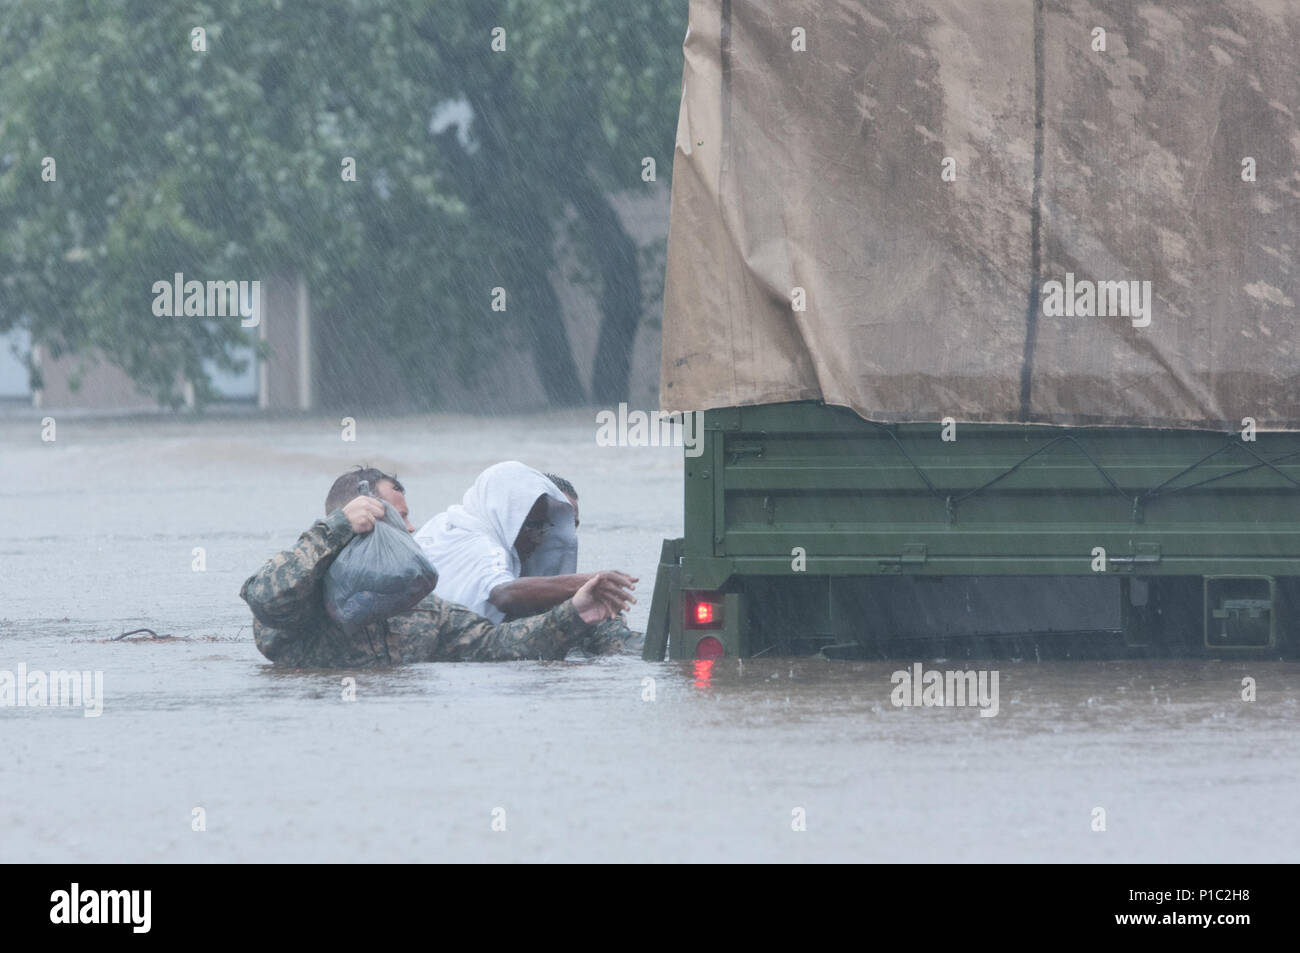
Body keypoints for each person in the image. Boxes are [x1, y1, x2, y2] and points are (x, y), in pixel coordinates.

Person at [240, 466, 636, 666]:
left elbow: (496, 646)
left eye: (408, 518)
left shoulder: (425, 610)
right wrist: (334, 530)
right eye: (396, 519)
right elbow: (263, 597)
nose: (411, 529)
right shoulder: (303, 603)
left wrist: (574, 613)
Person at [415, 462, 637, 652]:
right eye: (531, 526)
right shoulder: (484, 545)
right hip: (468, 646)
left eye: (544, 527)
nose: (539, 539)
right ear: (503, 513)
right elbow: (503, 594)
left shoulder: (444, 523)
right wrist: (590, 581)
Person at [543, 473, 642, 651]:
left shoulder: (583, 595)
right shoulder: (495, 581)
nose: (566, 534)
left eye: (573, 525)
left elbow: (616, 640)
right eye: (557, 522)